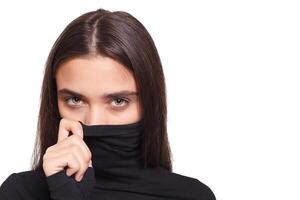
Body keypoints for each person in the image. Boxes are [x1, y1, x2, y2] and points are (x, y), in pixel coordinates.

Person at [0, 8, 216, 200]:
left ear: (149, 103)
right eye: (75, 100)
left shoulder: (192, 196)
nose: (93, 122)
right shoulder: (20, 193)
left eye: (118, 101)